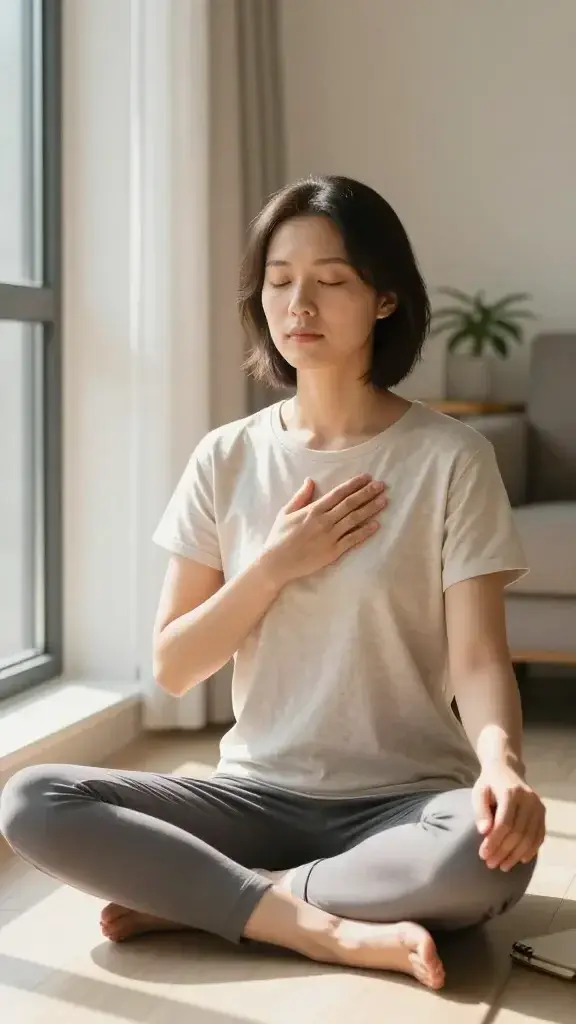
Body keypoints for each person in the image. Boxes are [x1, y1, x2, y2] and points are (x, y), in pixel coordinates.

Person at [0, 175, 546, 991]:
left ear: (385, 298)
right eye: (280, 282)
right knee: (33, 801)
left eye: (330, 281)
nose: (300, 305)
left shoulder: (450, 459)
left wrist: (501, 765)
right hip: (251, 801)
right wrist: (274, 566)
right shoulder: (226, 458)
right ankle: (318, 926)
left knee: (485, 856)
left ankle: (216, 901)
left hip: (402, 803)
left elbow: (478, 660)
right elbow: (177, 666)